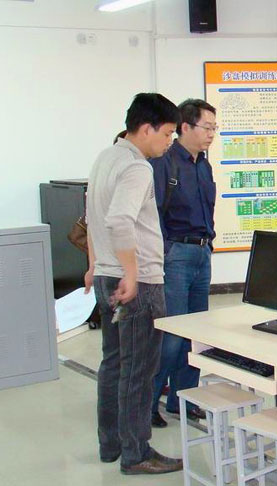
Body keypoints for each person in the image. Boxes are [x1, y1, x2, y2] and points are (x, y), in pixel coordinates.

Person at [84, 93, 183, 475]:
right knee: (139, 370)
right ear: (146, 128)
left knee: (114, 363)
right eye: (167, 133)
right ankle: (137, 453)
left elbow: (92, 216)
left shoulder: (105, 157)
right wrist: (130, 273)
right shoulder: (137, 167)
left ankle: (111, 444)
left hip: (107, 274)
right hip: (136, 280)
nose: (169, 141)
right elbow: (119, 220)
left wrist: (94, 266)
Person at [148, 99, 217, 428]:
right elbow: (154, 213)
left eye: (215, 128)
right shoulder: (164, 162)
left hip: (202, 253)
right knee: (171, 336)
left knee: (196, 333)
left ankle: (183, 400)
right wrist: (165, 252)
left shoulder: (204, 164)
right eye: (207, 127)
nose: (212, 134)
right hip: (176, 255)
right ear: (185, 127)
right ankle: (149, 404)